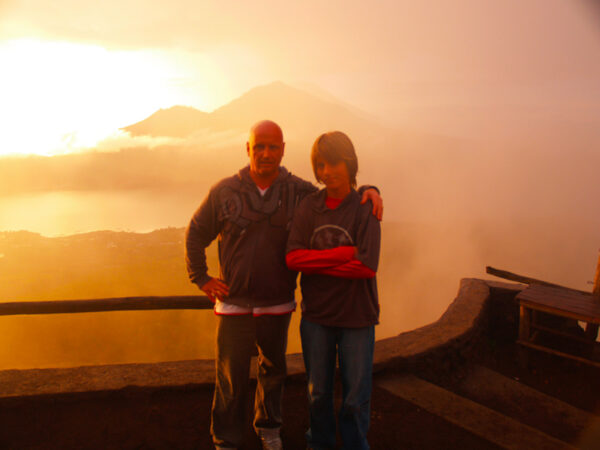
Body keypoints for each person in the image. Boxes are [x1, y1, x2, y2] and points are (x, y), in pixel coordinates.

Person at [185, 120, 382, 450]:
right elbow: (195, 232)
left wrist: (368, 190)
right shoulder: (224, 191)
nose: (265, 153)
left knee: (273, 370)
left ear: (283, 150)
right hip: (234, 303)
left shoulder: (298, 191)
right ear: (247, 148)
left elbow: (336, 189)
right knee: (230, 377)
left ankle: (269, 427)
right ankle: (227, 440)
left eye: (272, 147)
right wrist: (201, 277)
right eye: (258, 146)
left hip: (277, 303)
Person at [286, 131, 380, 450]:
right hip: (317, 316)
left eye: (334, 163)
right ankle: (320, 444)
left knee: (355, 397)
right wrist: (342, 255)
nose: (327, 172)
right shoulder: (309, 207)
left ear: (350, 163)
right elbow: (293, 257)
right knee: (318, 392)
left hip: (357, 317)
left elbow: (367, 267)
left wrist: (316, 263)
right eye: (321, 165)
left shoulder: (365, 207)